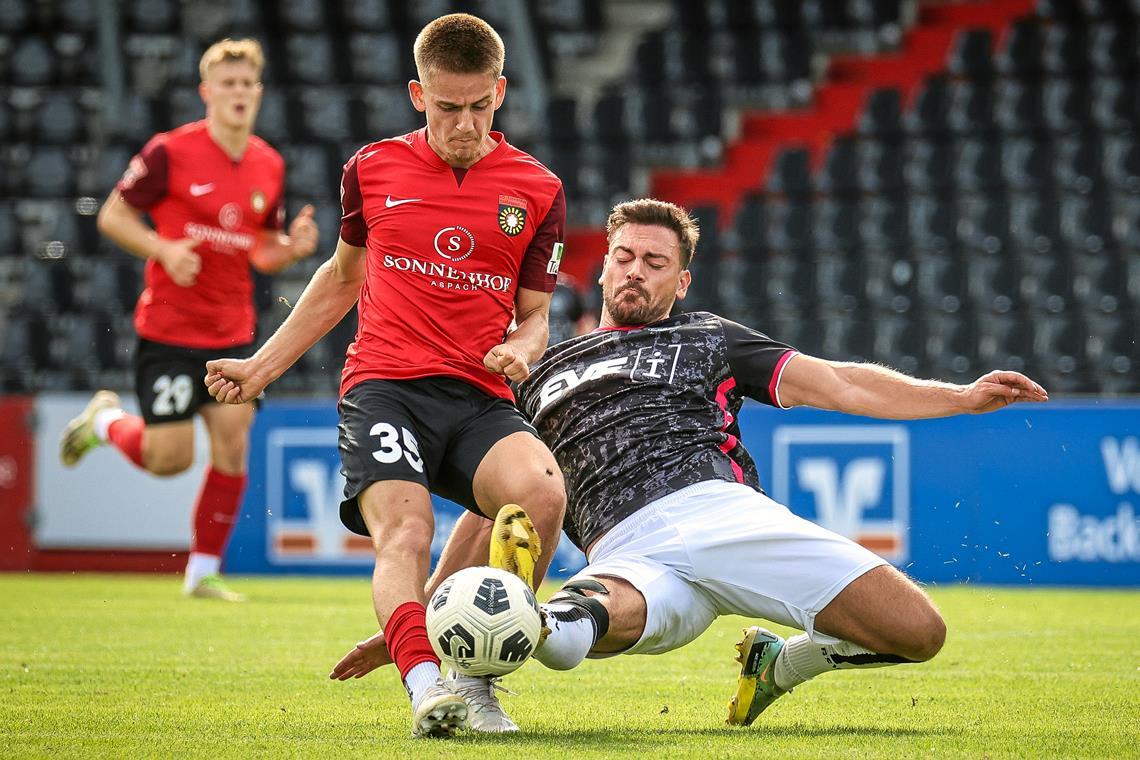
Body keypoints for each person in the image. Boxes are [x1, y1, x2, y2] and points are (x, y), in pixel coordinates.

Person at [329, 198, 1049, 728]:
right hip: (624, 549)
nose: (635, 271)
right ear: (602, 268)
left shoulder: (708, 338)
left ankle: (783, 662)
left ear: (681, 282)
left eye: (655, 262)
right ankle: (523, 627)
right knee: (567, 639)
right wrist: (424, 614)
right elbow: (497, 507)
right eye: (623, 257)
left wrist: (958, 396)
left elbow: (839, 382)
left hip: (726, 516)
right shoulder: (532, 368)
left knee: (921, 634)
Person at [202, 14, 568, 739]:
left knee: (540, 496)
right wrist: (261, 365)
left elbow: (535, 315)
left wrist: (524, 348)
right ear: (416, 93)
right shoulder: (372, 169)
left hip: (478, 395)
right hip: (385, 387)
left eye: (479, 106)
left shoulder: (538, 187)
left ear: (500, 91)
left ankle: (475, 679)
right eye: (445, 106)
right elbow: (341, 281)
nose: (463, 123)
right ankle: (427, 687)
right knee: (405, 530)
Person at [59, 38, 319, 603]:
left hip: (232, 332)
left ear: (259, 92)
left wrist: (292, 249)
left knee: (233, 442)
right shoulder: (169, 152)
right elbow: (112, 215)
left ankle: (202, 574)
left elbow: (259, 251)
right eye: (227, 84)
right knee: (168, 460)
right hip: (171, 331)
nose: (239, 93)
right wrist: (164, 249)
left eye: (247, 83)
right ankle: (105, 422)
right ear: (207, 92)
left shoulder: (268, 163)